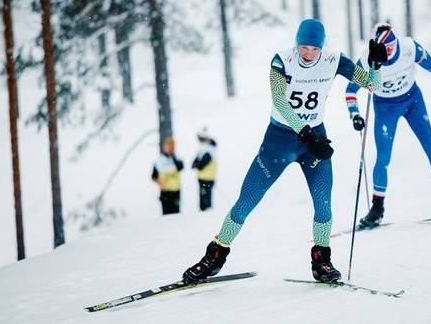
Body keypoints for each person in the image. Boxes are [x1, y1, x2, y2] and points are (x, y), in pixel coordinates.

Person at [182, 19, 385, 284]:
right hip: (280, 139)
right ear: (296, 43)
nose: (309, 53)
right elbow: (280, 101)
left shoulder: (335, 61)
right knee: (246, 202)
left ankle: (321, 261)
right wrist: (306, 133)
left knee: (323, 204)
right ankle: (214, 256)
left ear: (322, 47)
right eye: (304, 46)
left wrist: (377, 65)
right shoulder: (282, 60)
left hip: (314, 140)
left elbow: (372, 86)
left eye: (314, 48)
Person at [345, 23, 431, 229]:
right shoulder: (367, 61)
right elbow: (350, 91)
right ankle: (377, 209)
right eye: (385, 49)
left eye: (392, 46)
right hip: (385, 107)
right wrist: (355, 115)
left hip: (413, 101)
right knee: (383, 158)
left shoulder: (409, 47)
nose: (390, 51)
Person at [151, 136, 184, 215]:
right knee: (166, 216)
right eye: (168, 146)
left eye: (172, 146)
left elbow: (181, 167)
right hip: (165, 192)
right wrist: (160, 183)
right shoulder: (159, 161)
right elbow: (153, 176)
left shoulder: (177, 159)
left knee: (176, 215)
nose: (170, 148)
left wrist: (173, 157)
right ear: (164, 147)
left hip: (176, 192)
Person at [192, 127, 218, 211]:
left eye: (202, 139)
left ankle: (206, 218)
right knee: (204, 201)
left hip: (206, 179)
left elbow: (199, 165)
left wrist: (197, 163)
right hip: (204, 178)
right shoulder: (204, 150)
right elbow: (193, 164)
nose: (200, 141)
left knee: (205, 203)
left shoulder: (209, 151)